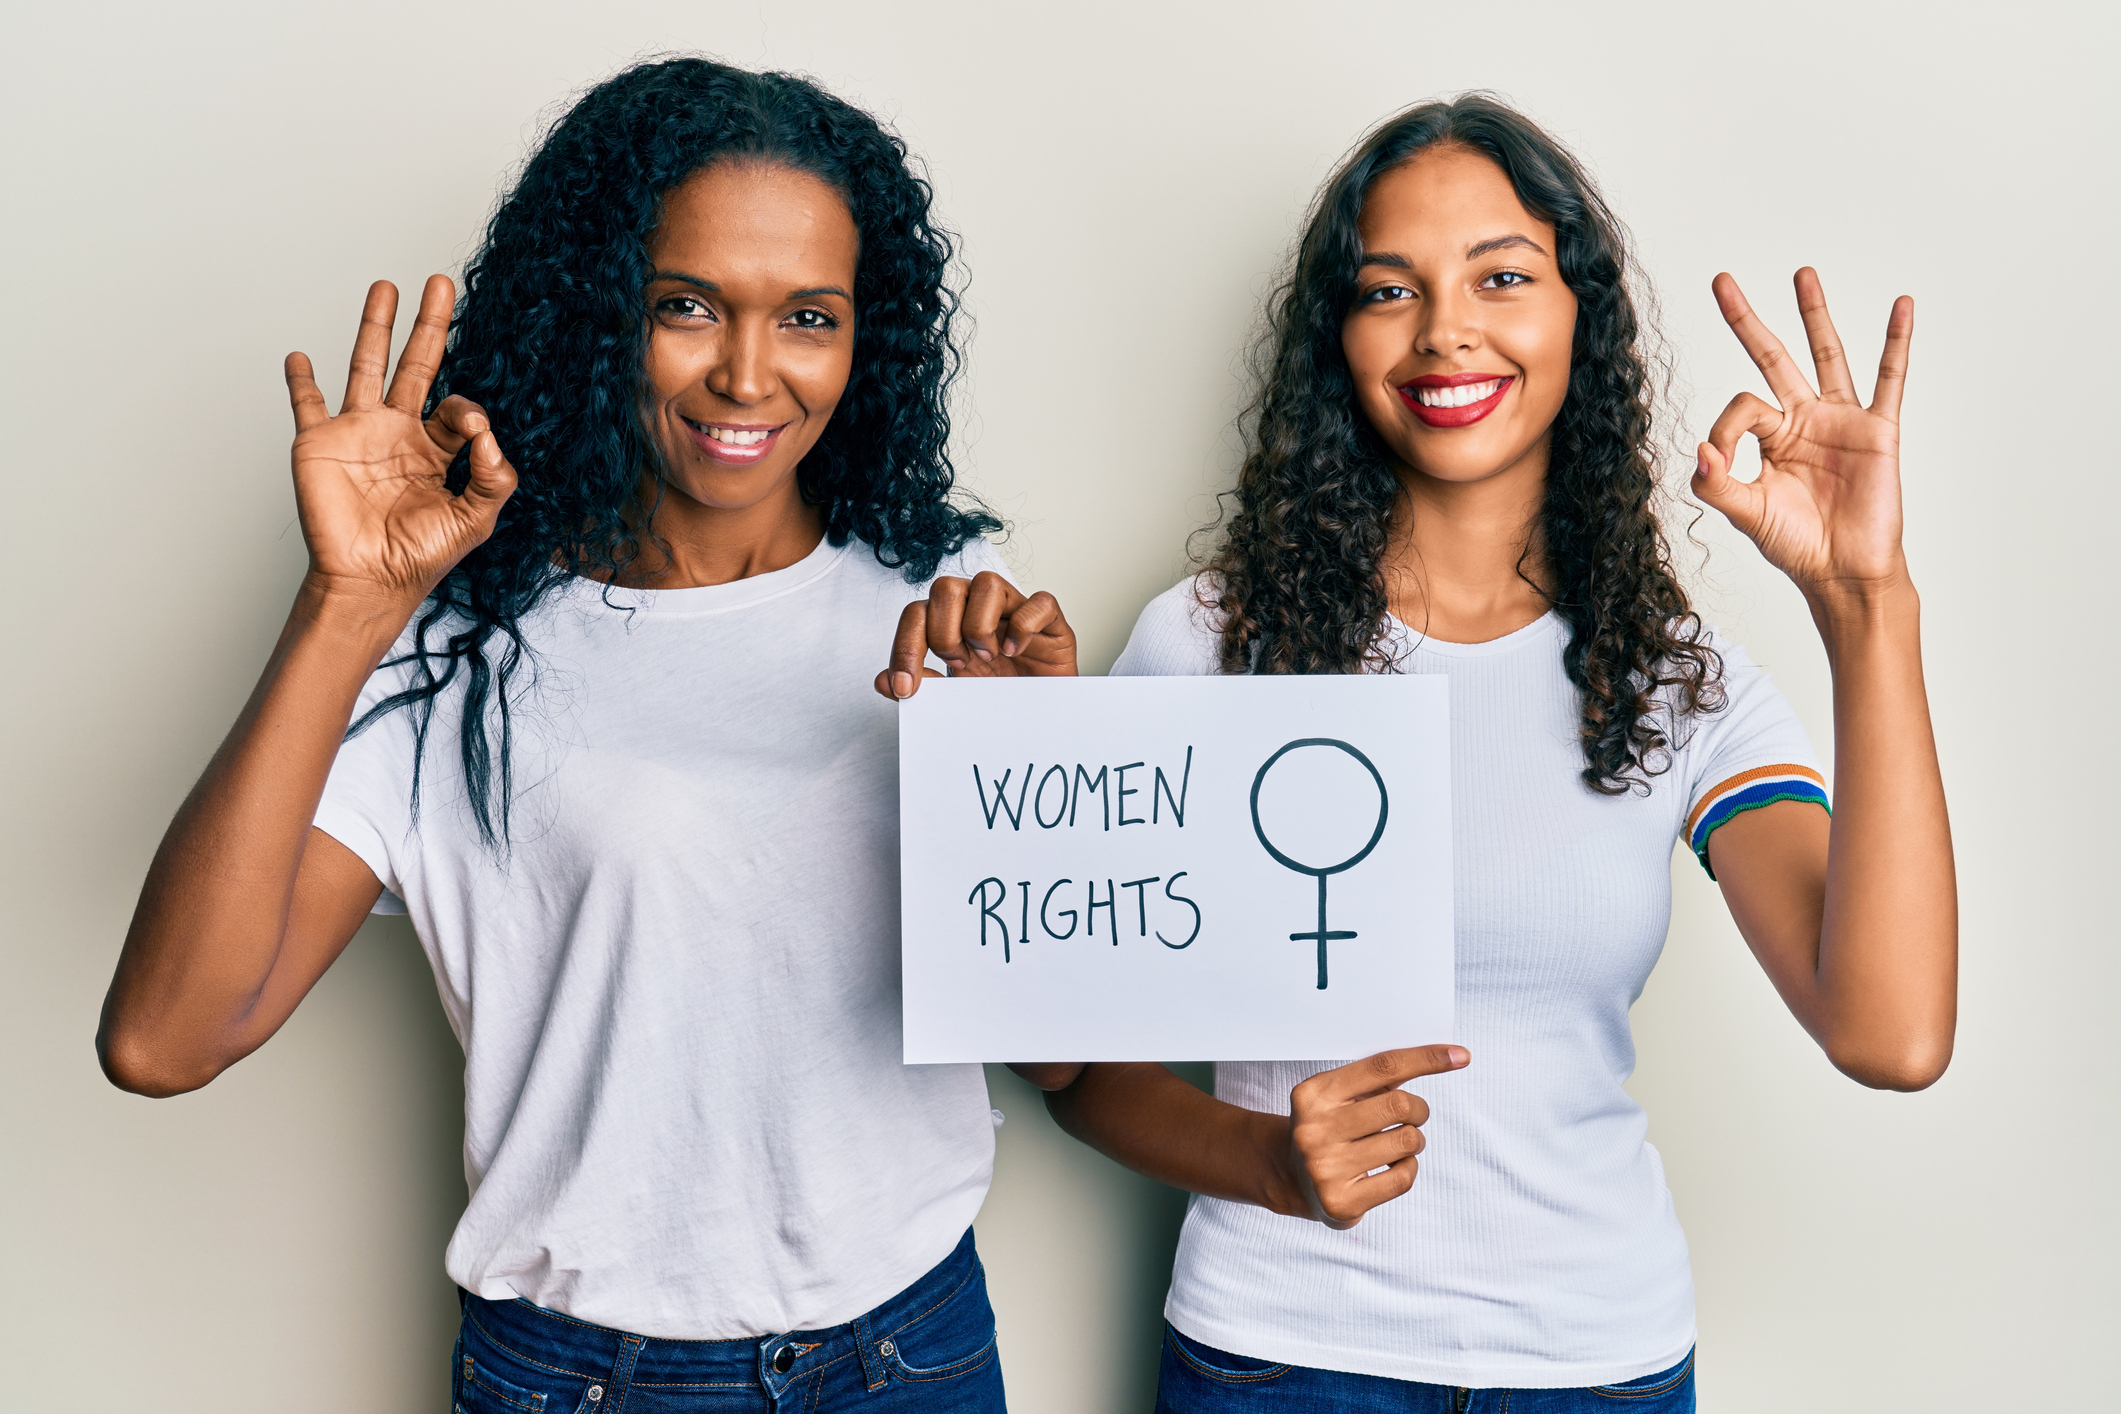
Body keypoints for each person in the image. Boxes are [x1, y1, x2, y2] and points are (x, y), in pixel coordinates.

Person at [882, 94, 1955, 1410]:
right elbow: (1073, 1075)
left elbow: (1891, 1034)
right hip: (1280, 1358)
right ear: (1338, 339)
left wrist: (1867, 602)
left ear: (1580, 318)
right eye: (1389, 288)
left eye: (1500, 277)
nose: (1446, 326)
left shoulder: (1675, 680)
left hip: (1595, 1365)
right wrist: (1273, 1161)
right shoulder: (1211, 640)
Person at [100, 57, 1020, 1412]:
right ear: (600, 311)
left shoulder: (943, 592)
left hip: (913, 1347)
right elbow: (165, 1038)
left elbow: (1054, 1028)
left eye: (808, 315)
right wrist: (346, 606)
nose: (749, 373)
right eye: (686, 306)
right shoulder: (452, 638)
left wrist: (1030, 751)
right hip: (591, 1377)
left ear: (861, 337)